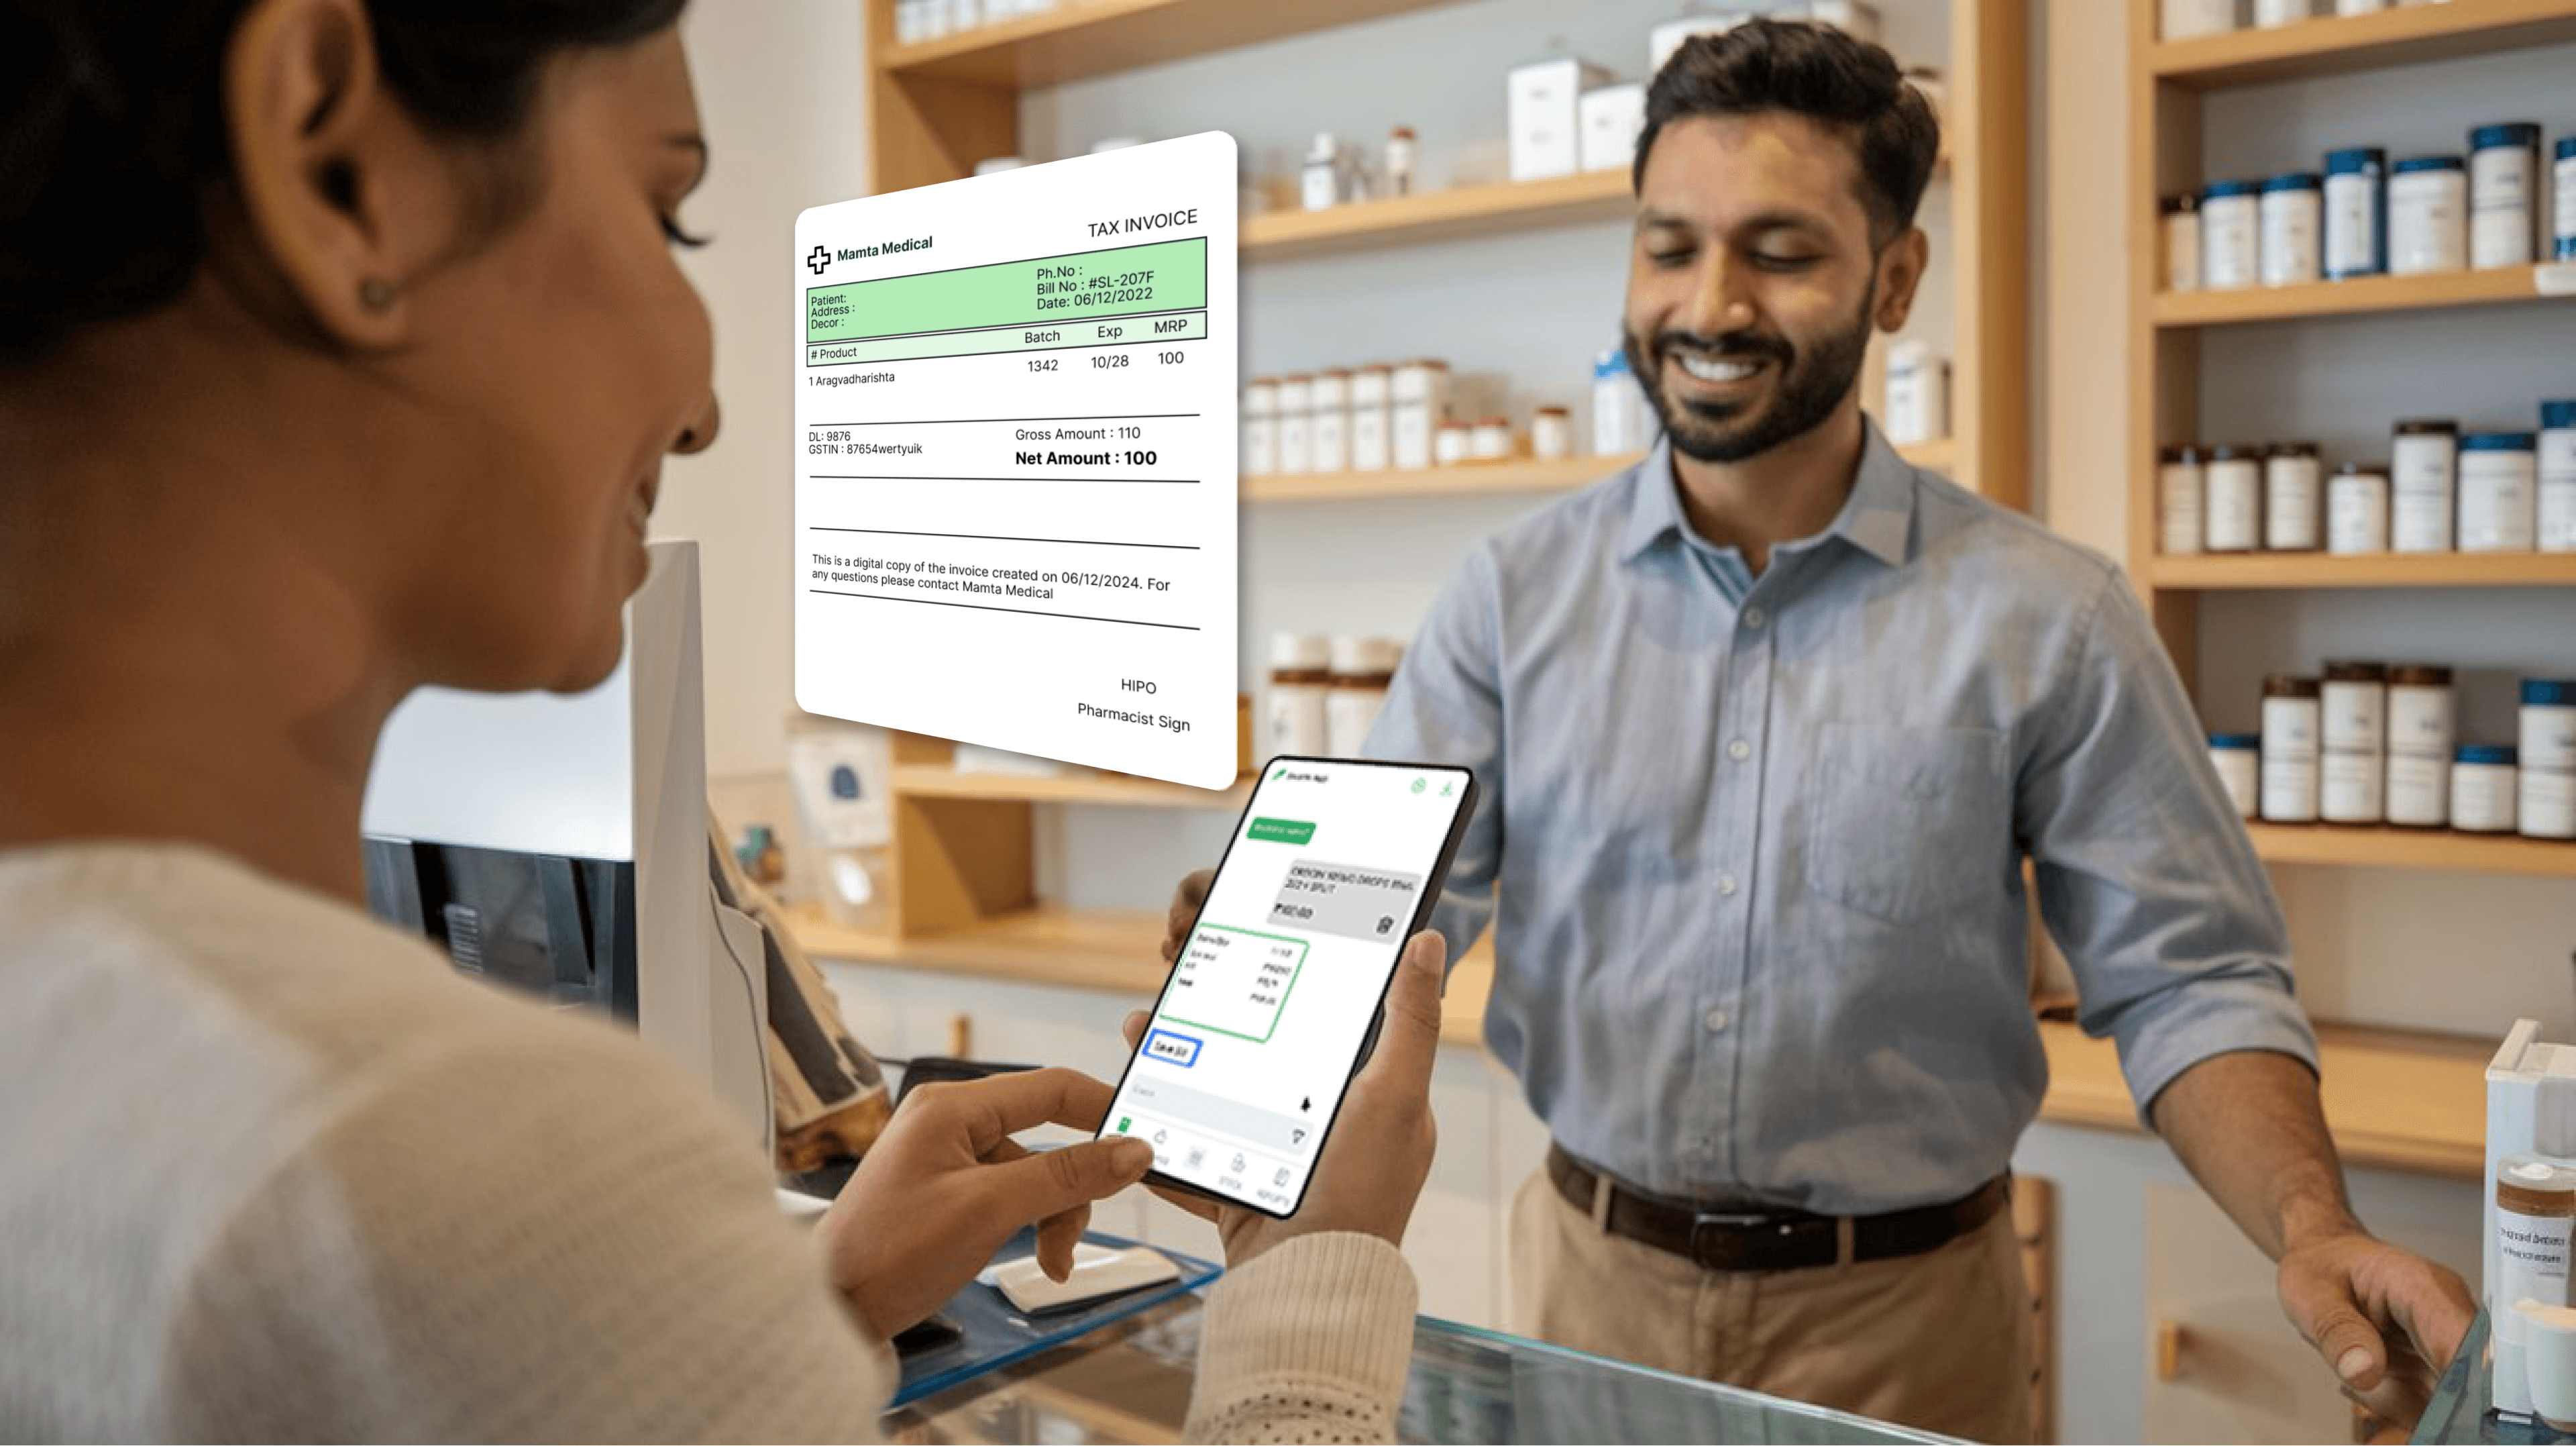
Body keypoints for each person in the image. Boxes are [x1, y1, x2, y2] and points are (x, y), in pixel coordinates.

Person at [0, 1, 1443, 1441]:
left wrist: (788, 1320)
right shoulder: (412, 1170)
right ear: (337, 173)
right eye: (665, 211)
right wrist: (1307, 1283)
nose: (702, 408)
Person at [1166, 19, 2473, 1443]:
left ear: (1895, 278)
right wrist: (1269, 982)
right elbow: (1395, 918)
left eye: (1780, 252)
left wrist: (2310, 1223)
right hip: (1589, 1291)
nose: (1709, 303)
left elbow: (2193, 980)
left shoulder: (2051, 616)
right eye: (1670, 247)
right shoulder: (1510, 595)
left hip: (1907, 1324)